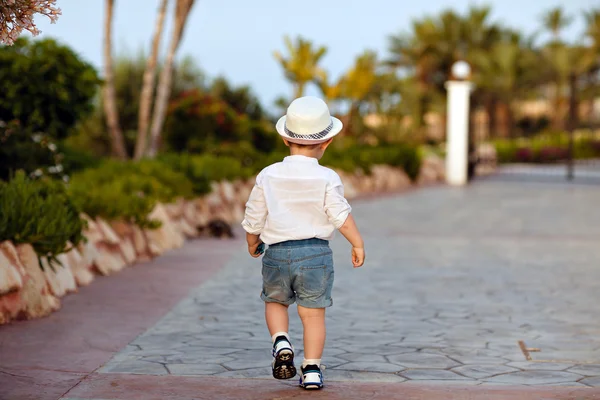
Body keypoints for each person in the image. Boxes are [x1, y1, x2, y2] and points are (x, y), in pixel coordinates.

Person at [241, 96, 365, 390]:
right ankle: (311, 370)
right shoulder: (327, 177)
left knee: (274, 302)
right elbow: (340, 215)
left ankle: (281, 340)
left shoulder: (268, 175)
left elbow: (254, 215)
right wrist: (357, 243)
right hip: (315, 255)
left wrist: (251, 242)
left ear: (285, 138)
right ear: (328, 141)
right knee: (312, 316)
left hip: (277, 253)